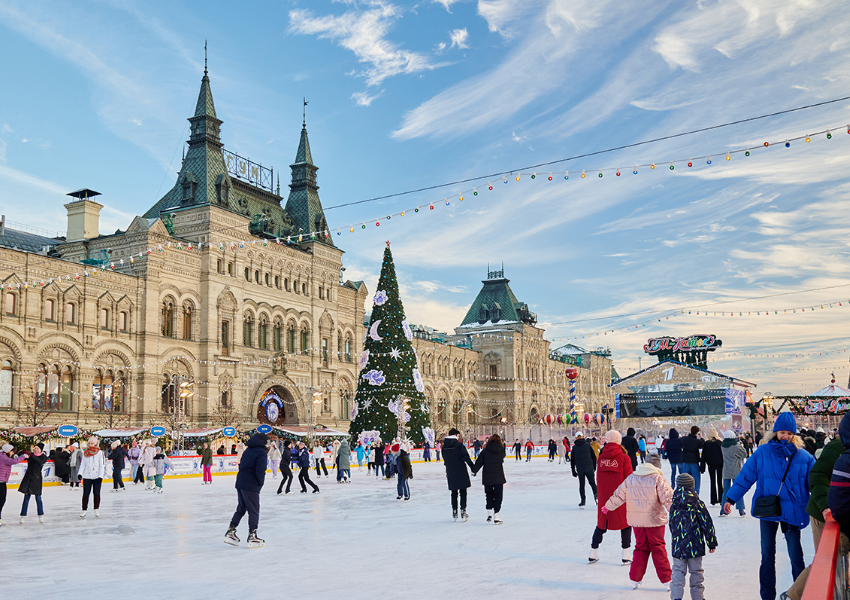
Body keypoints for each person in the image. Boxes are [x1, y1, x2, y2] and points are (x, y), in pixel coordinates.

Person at [724, 412, 815, 600]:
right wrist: (731, 498)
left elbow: (815, 483)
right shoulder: (762, 453)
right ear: (775, 432)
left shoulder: (803, 457)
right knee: (767, 555)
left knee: (796, 555)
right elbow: (745, 477)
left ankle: (799, 594)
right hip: (768, 510)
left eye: (790, 434)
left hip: (792, 512)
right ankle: (767, 596)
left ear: (795, 435)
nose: (786, 437)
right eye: (782, 432)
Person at [785, 413, 849, 600]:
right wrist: (825, 505)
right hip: (825, 514)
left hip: (843, 510)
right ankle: (793, 596)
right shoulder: (837, 447)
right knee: (828, 561)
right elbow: (817, 475)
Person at [602, 453, 673, 591]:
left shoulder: (631, 478)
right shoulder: (658, 478)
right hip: (655, 521)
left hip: (637, 522)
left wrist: (607, 506)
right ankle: (667, 580)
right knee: (658, 547)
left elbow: (619, 495)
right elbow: (668, 499)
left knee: (641, 547)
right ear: (657, 466)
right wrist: (677, 514)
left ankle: (635, 579)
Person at [669, 473, 718, 600]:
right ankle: (698, 597)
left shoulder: (674, 504)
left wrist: (676, 538)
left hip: (678, 546)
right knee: (696, 572)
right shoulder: (697, 503)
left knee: (678, 573)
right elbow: (707, 523)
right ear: (692, 486)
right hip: (694, 546)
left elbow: (672, 525)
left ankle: (676, 597)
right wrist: (711, 542)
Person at [589, 429, 634, 565]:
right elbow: (629, 480)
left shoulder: (601, 458)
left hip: (604, 497)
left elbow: (599, 479)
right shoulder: (624, 458)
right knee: (625, 523)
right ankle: (625, 553)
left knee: (602, 524)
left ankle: (593, 551)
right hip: (620, 497)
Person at [225, 432, 269, 548]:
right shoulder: (261, 452)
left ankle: (231, 531)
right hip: (251, 483)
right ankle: (252, 535)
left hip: (240, 482)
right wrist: (260, 483)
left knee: (241, 508)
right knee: (254, 509)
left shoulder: (248, 450)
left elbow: (241, 465)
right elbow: (260, 469)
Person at [442, 428, 475, 521]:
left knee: (454, 492)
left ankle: (455, 510)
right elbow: (466, 457)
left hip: (450, 471)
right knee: (463, 491)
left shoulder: (444, 447)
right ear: (455, 435)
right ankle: (463, 511)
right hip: (461, 471)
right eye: (458, 435)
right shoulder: (459, 445)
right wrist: (473, 468)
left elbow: (445, 459)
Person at [472, 434, 506, 524]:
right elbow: (502, 457)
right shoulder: (501, 449)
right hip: (498, 475)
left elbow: (479, 462)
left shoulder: (485, 450)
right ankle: (496, 515)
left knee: (489, 494)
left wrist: (474, 471)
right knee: (498, 495)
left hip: (487, 476)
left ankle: (489, 512)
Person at [18, 443, 48, 524]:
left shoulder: (43, 457)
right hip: (28, 478)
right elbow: (20, 454)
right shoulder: (31, 455)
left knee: (38, 498)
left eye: (37, 448)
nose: (36, 450)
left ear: (41, 450)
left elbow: (39, 462)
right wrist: (23, 452)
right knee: (26, 498)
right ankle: (23, 516)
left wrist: (32, 456)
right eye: (35, 448)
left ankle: (41, 515)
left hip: (37, 479)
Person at [720, 430, 747, 517]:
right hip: (735, 470)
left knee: (725, 490)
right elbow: (744, 454)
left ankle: (723, 510)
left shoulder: (723, 446)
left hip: (726, 470)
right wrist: (740, 444)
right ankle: (741, 510)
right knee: (738, 489)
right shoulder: (736, 446)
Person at [79, 437, 106, 518]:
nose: (90, 445)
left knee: (96, 493)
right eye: (89, 443)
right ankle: (84, 510)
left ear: (95, 444)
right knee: (86, 494)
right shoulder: (85, 453)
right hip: (87, 475)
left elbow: (102, 465)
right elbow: (82, 464)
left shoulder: (100, 453)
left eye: (92, 443)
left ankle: (96, 509)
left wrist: (100, 476)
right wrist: (80, 473)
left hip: (97, 475)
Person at [571, 432, 598, 508]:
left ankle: (583, 501)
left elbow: (572, 460)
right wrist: (594, 466)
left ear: (576, 438)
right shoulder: (587, 446)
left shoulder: (574, 448)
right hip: (589, 468)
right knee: (592, 483)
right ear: (583, 437)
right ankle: (597, 497)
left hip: (580, 469)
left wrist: (573, 470)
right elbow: (593, 456)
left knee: (582, 485)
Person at [0, 443, 24, 526]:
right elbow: (13, 461)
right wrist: (23, 456)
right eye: (12, 451)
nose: (13, 453)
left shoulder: (3, 456)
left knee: (2, 500)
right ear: (7, 451)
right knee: (1, 500)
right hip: (0, 482)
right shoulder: (3, 457)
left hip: (2, 481)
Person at [700, 428, 724, 506]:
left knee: (712, 481)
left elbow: (703, 456)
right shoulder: (719, 443)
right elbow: (722, 455)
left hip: (711, 464)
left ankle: (713, 500)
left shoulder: (707, 443)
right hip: (720, 464)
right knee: (720, 482)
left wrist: (702, 467)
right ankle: (721, 499)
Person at [680, 426, 704, 494]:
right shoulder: (697, 441)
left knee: (685, 480)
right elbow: (702, 443)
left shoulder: (684, 439)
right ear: (697, 432)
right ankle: (695, 496)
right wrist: (701, 437)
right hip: (694, 462)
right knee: (696, 480)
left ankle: (685, 495)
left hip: (685, 461)